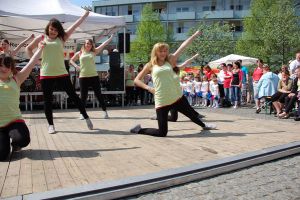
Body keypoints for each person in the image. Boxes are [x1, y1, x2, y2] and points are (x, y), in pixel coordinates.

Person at [130, 31, 216, 137]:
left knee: (192, 115)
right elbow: (137, 80)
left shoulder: (170, 60)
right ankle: (139, 130)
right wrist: (149, 88)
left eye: (165, 51)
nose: (163, 53)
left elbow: (182, 47)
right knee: (162, 133)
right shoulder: (150, 65)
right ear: (155, 52)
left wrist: (194, 35)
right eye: (161, 51)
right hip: (161, 100)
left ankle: (204, 125)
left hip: (176, 97)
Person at [26, 10, 93, 134]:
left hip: (61, 73)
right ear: (48, 28)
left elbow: (75, 26)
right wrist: (37, 62)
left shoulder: (62, 38)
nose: (53, 32)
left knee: (73, 95)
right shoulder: (41, 38)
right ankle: (51, 125)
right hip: (46, 74)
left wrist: (84, 15)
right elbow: (28, 49)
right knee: (48, 100)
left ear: (59, 32)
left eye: (56, 30)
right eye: (52, 29)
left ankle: (86, 116)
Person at [0, 40, 44, 161]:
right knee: (2, 156)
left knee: (23, 139)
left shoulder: (16, 79)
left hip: (14, 121)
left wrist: (40, 49)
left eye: (7, 65)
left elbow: (31, 64)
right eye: (1, 65)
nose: (3, 68)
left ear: (11, 67)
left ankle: (15, 144)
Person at [70, 34, 114, 119]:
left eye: (90, 44)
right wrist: (76, 66)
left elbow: (103, 44)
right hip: (83, 77)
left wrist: (111, 38)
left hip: (94, 76)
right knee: (83, 96)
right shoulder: (80, 53)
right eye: (87, 43)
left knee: (98, 95)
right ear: (84, 44)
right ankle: (82, 114)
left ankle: (105, 112)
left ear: (91, 45)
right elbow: (71, 60)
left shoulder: (94, 52)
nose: (88, 45)